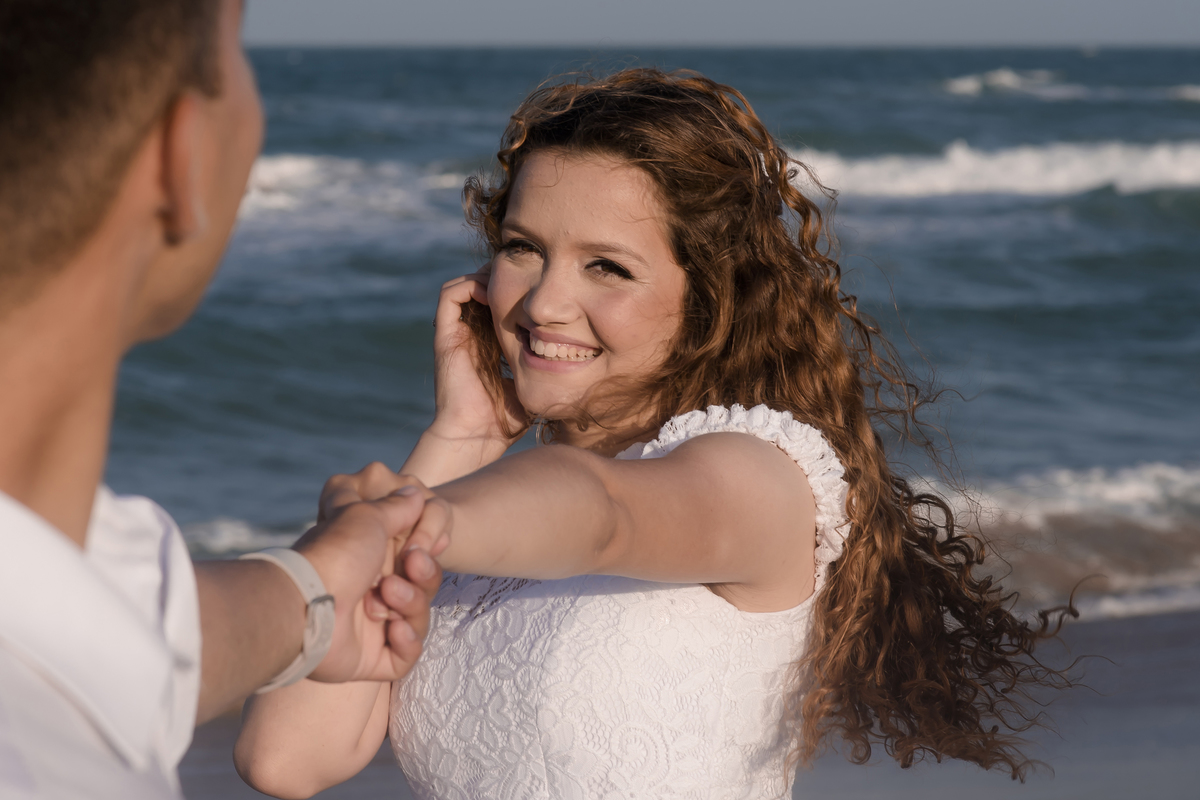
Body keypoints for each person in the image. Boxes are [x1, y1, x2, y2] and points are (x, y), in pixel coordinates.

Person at [236, 69, 1072, 799]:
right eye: (524, 250)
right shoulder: (473, 503)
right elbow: (285, 759)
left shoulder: (760, 476)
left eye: (608, 267)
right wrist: (460, 434)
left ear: (708, 299)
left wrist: (404, 518)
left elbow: (603, 512)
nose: (544, 304)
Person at [0, 2, 445, 798]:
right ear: (182, 156)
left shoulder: (64, 578)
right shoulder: (39, 758)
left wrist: (311, 592)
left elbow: (130, 623)